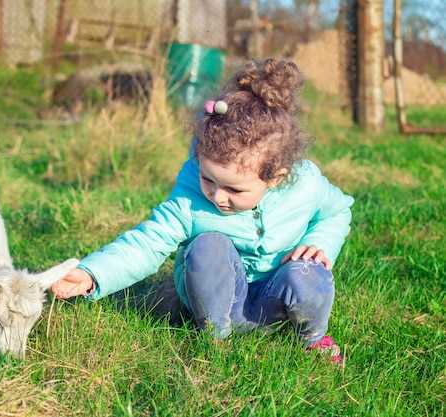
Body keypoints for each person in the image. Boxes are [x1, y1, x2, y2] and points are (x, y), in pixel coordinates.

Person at [51, 59, 353, 364]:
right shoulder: (191, 197)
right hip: (216, 299)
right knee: (208, 246)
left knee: (308, 272)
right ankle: (215, 337)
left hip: (273, 298)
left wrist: (321, 243)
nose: (218, 197)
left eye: (235, 189)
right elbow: (147, 242)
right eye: (208, 179)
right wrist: (92, 274)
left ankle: (312, 338)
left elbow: (338, 211)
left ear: (275, 178)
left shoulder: (305, 185)